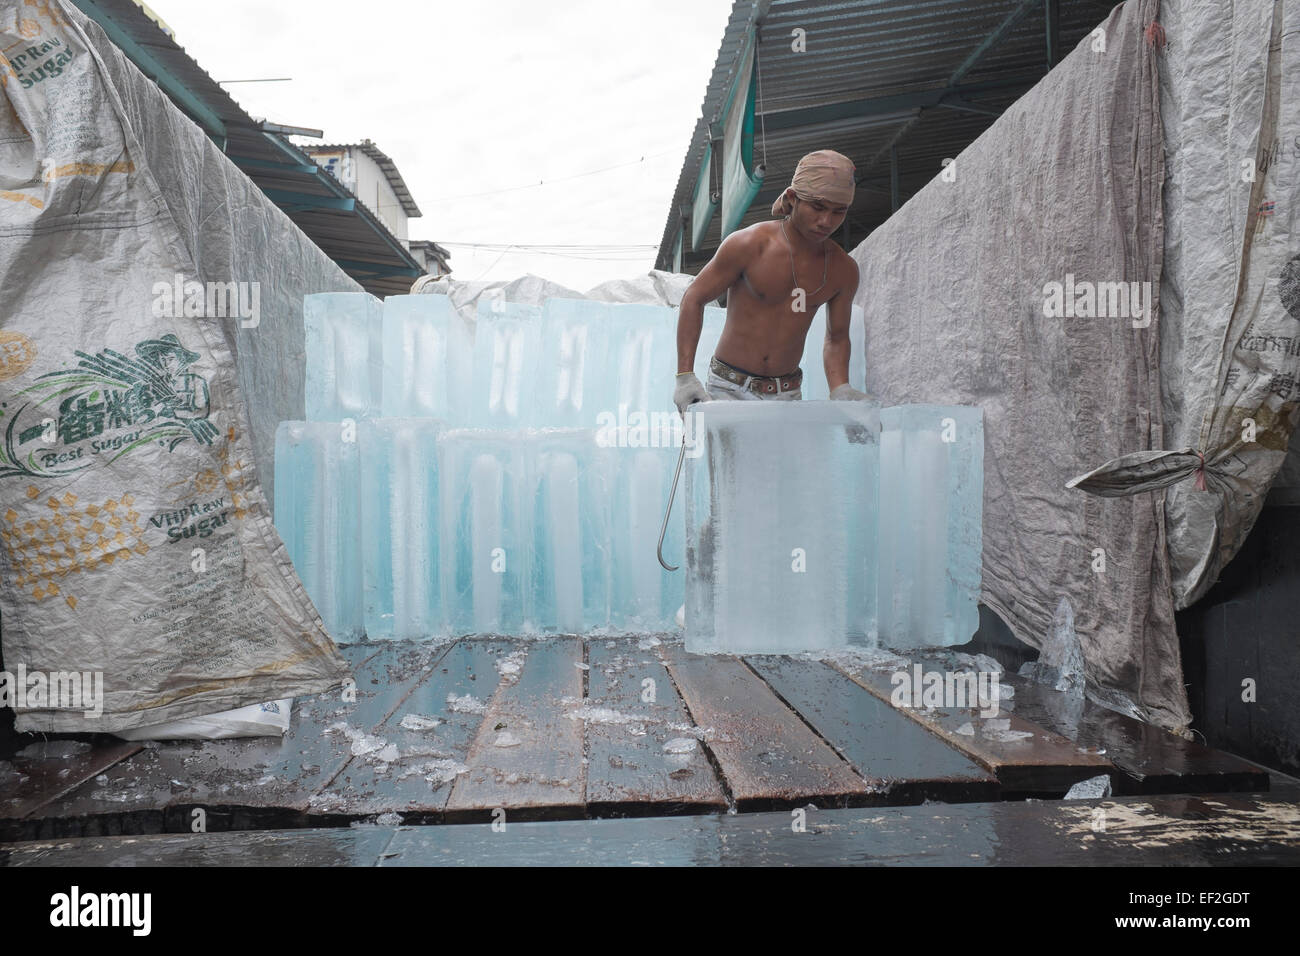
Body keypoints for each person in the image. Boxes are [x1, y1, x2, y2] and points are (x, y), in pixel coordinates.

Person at [673, 149, 870, 411]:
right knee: (731, 455)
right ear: (792, 198)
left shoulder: (843, 270)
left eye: (839, 211)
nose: (826, 221)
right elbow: (694, 297)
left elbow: (837, 337)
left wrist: (840, 388)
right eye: (818, 207)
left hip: (787, 394)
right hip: (729, 388)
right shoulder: (748, 244)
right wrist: (685, 377)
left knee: (784, 455)